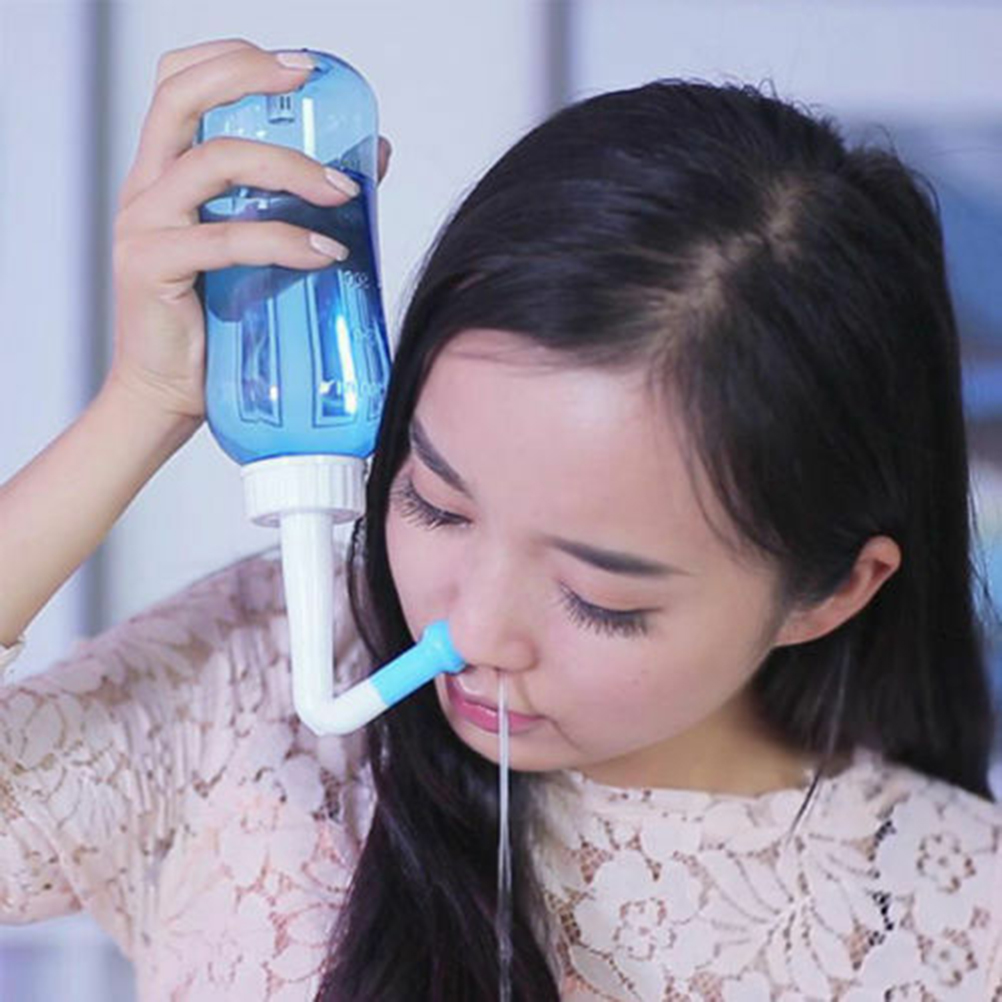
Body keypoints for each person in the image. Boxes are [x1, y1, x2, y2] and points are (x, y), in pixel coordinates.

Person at [1, 34, 1000, 1002]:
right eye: (435, 505)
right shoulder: (257, 679)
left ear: (832, 591)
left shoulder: (965, 919)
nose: (470, 633)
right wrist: (142, 402)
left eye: (599, 598)